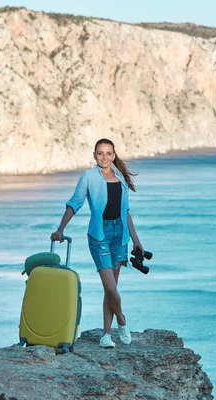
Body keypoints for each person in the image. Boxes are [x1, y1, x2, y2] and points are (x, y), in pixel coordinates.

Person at [51, 138, 144, 349]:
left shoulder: (119, 177)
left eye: (108, 153)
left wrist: (136, 240)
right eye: (100, 153)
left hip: (120, 235)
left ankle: (106, 335)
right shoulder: (88, 177)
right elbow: (74, 203)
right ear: (94, 155)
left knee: (110, 289)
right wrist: (60, 229)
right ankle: (122, 321)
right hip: (99, 236)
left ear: (113, 155)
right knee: (111, 287)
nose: (104, 157)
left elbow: (126, 211)